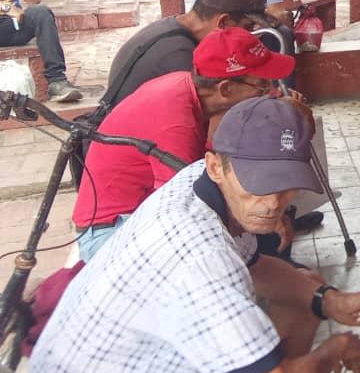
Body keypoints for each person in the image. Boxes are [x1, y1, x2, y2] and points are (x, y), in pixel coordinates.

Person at [25, 97, 360, 373]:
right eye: (259, 182)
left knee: (308, 291)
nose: (272, 203)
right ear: (216, 166)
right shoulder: (199, 259)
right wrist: (335, 349)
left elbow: (258, 266)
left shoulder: (199, 184)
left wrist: (330, 301)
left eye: (284, 183)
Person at [71, 27, 294, 261]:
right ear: (226, 89)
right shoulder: (176, 122)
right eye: (262, 86)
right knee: (240, 242)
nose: (270, 92)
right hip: (110, 234)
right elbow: (187, 207)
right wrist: (264, 213)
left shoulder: (187, 88)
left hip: (137, 215)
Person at [105, 0, 269, 107]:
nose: (249, 35)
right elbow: (212, 108)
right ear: (223, 22)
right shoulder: (179, 57)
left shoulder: (173, 27)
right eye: (248, 27)